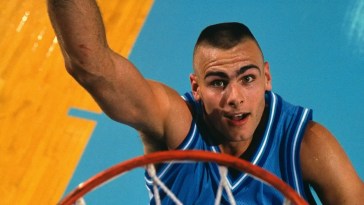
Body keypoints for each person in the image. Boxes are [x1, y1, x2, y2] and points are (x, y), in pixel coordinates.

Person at [47, 0, 363, 204]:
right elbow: (92, 67)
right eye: (218, 83)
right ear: (195, 87)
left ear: (267, 77)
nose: (235, 97)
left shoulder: (307, 146)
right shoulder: (175, 125)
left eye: (248, 78)